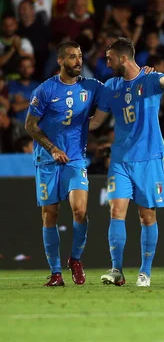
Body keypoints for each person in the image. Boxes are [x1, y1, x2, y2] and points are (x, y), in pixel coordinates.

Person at [89, 37, 164, 287]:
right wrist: (67, 125)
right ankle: (116, 270)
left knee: (147, 216)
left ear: (123, 58)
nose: (106, 62)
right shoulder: (110, 86)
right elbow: (96, 122)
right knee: (116, 211)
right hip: (120, 160)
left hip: (148, 158)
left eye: (110, 58)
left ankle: (145, 272)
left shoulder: (148, 80)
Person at [24, 41, 104, 286]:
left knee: (80, 210)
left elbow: (117, 91)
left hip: (76, 160)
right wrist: (53, 148)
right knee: (50, 215)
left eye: (79, 56)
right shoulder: (45, 90)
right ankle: (56, 272)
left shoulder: (91, 87)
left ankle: (76, 259)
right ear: (60, 61)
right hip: (47, 161)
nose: (78, 61)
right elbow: (30, 126)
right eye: (72, 57)